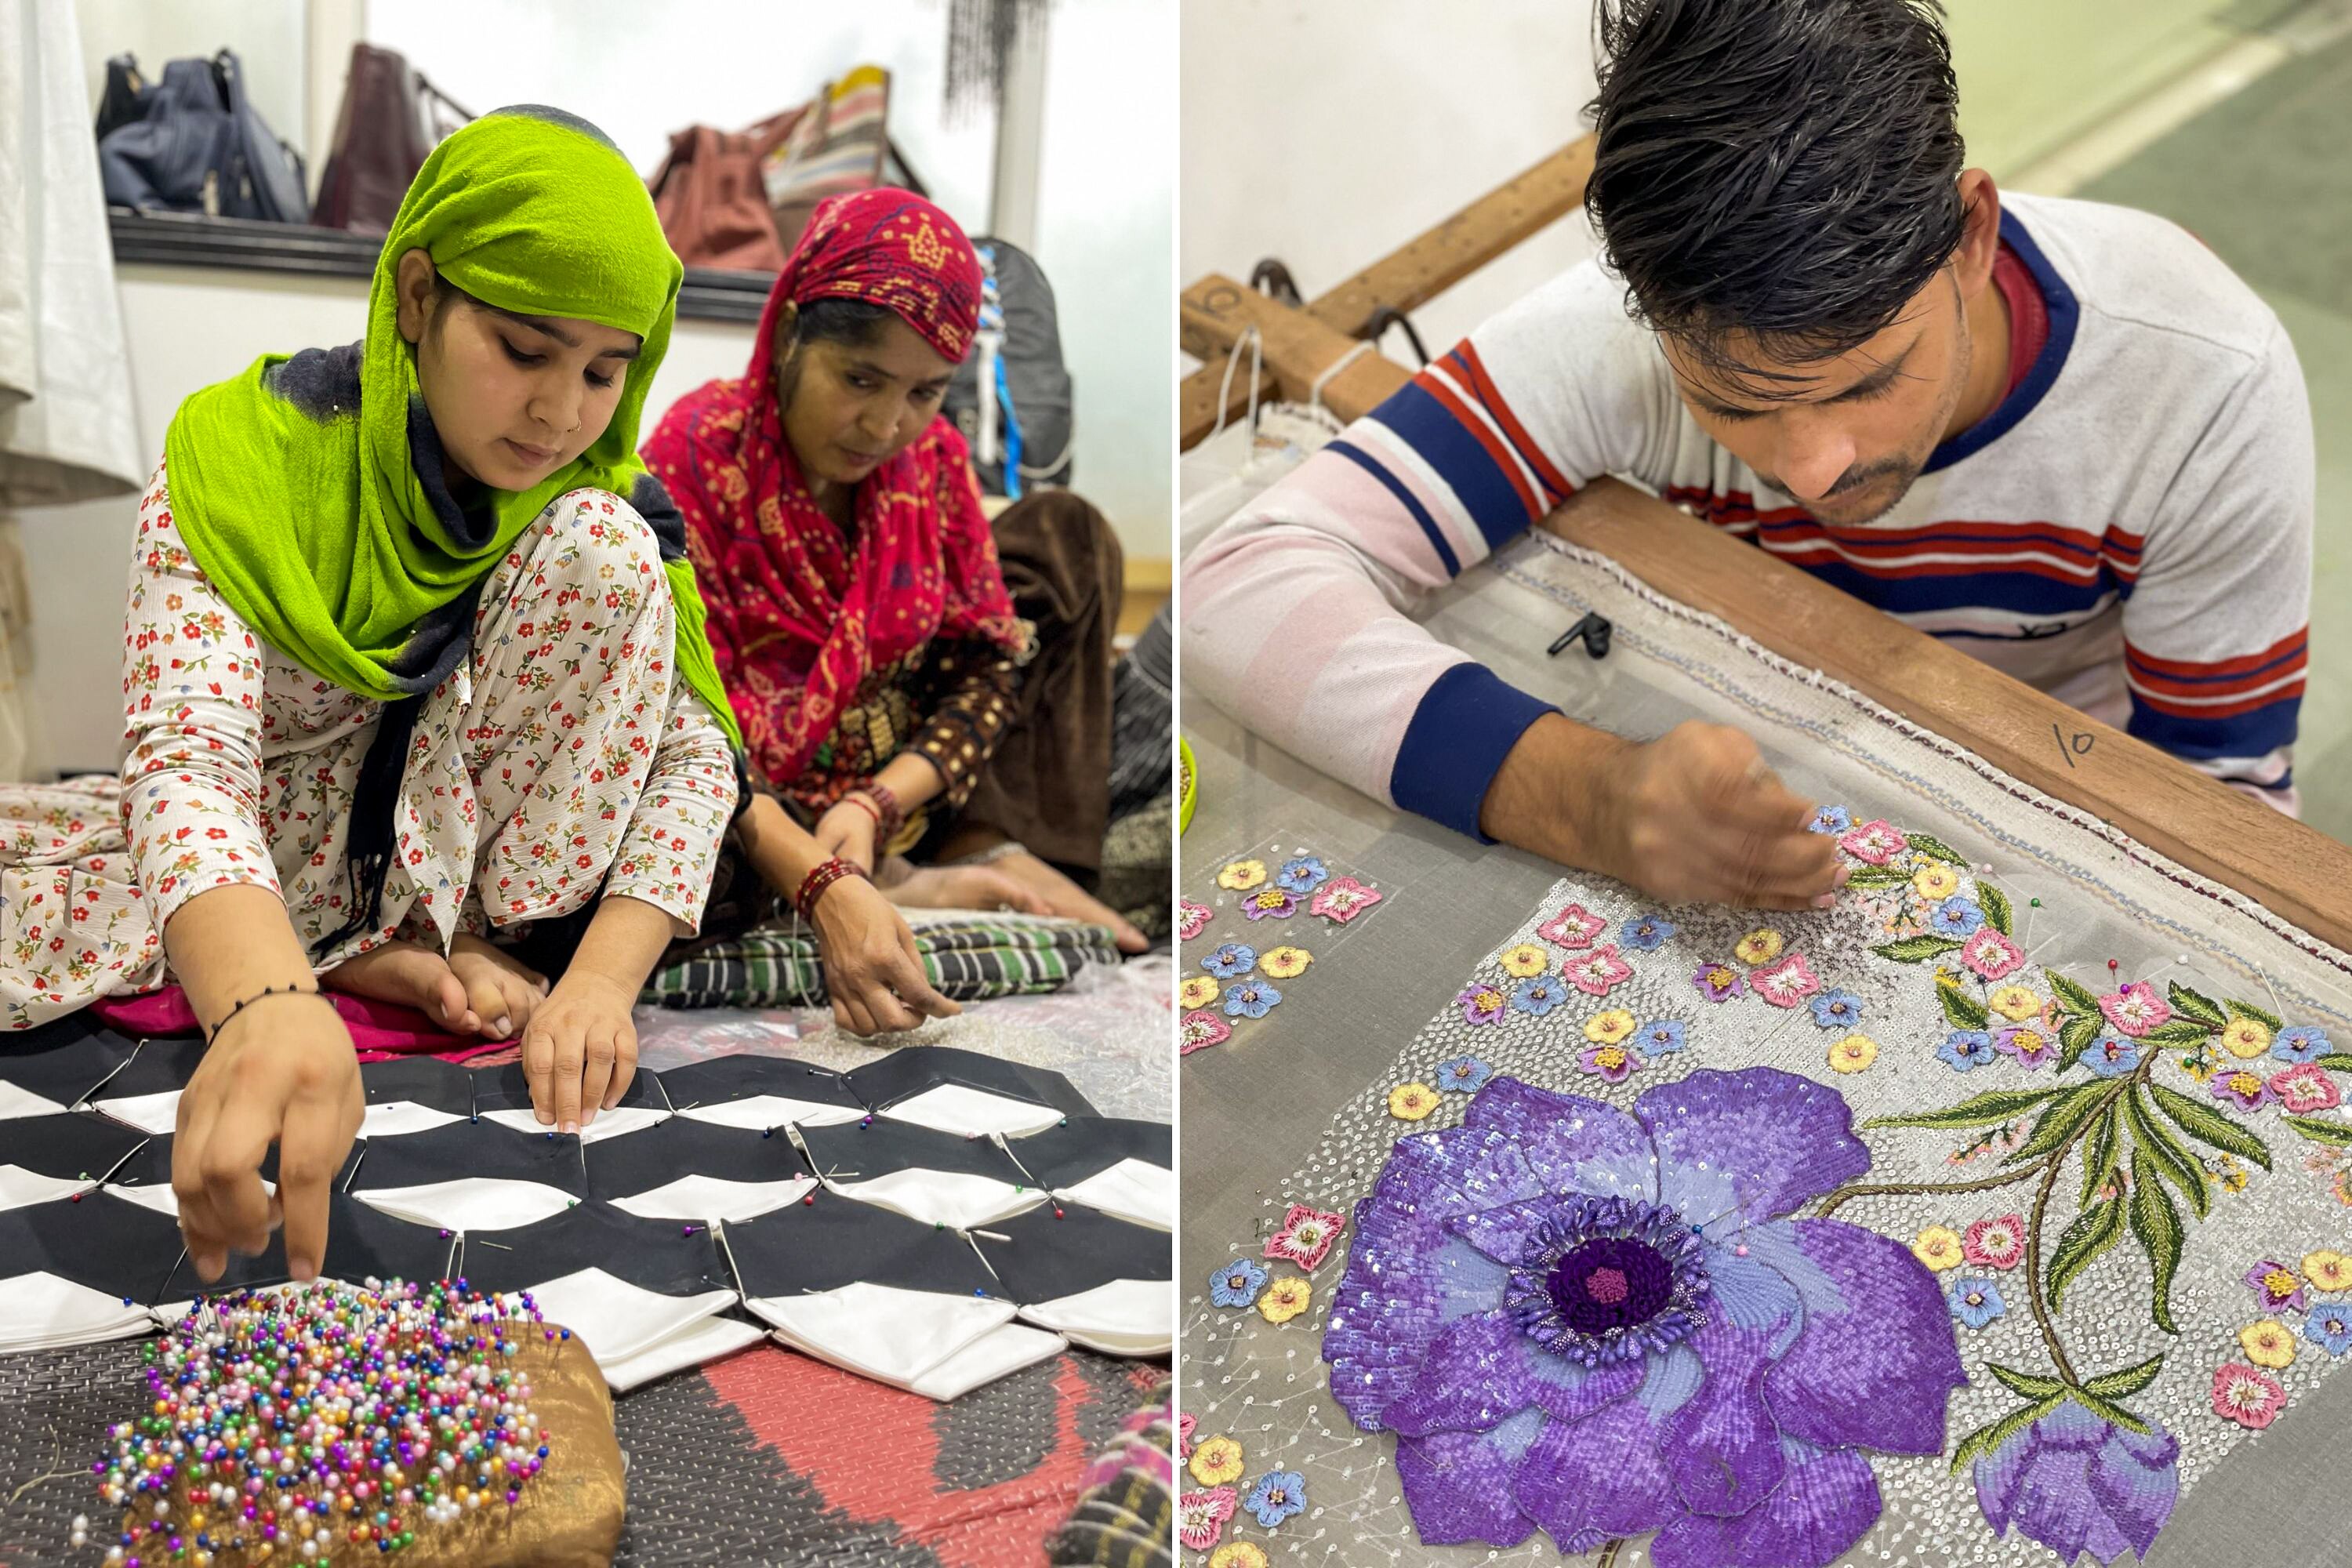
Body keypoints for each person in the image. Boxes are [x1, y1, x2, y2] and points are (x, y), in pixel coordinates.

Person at [1184, 0, 2314, 910]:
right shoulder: (1615, 338)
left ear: (1972, 236)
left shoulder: (2200, 382)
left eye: (1868, 381)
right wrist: (1585, 795)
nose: (1813, 471)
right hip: (1740, 781)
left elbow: (2227, 822)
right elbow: (1240, 586)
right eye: (1730, 403)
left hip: (2058, 821)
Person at [0, 107, 748, 1285]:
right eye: (525, 349)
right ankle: (351, 945)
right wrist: (261, 998)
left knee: (604, 549)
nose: (561, 413)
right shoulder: (243, 462)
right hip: (261, 861)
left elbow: (697, 759)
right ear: (416, 295)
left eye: (605, 370)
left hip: (469, 897)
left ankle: (406, 937)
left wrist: (601, 985)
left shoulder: (610, 505)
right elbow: (187, 757)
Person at [641, 187, 1149, 976]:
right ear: (790, 335)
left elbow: (988, 669)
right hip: (766, 807)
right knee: (679, 815)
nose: (886, 426)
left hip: (902, 792)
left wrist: (877, 801)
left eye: (924, 392)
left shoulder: (933, 462)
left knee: (1066, 534)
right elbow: (685, 712)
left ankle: (982, 843)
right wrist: (820, 859)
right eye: (860, 380)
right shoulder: (700, 452)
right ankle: (901, 881)